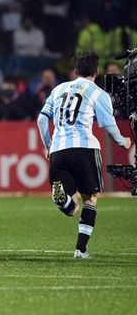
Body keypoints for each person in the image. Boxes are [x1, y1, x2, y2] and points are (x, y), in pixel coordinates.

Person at [37, 51, 132, 259]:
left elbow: (42, 120)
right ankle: (80, 250)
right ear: (96, 72)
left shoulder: (58, 89)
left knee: (72, 208)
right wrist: (123, 141)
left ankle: (64, 201)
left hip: (59, 150)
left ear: (76, 71)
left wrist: (48, 145)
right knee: (91, 199)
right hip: (84, 148)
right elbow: (108, 125)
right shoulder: (98, 93)